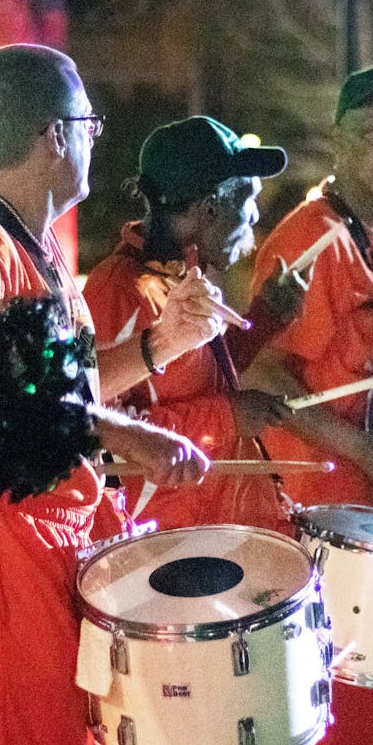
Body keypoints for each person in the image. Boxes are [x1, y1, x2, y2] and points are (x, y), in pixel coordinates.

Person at [0, 44, 214, 745]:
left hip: (43, 534)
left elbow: (66, 388)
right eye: (89, 123)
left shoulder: (26, 243)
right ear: (54, 135)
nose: (98, 139)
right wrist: (126, 431)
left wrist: (164, 344)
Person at [243, 65, 373, 745]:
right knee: (321, 713)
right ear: (339, 141)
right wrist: (366, 452)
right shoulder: (308, 238)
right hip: (315, 508)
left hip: (370, 502)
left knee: (371, 701)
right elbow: (260, 373)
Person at [83, 115, 304, 541]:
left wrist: (266, 319)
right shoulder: (118, 290)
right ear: (210, 208)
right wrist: (227, 418)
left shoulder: (184, 277)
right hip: (160, 550)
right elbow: (101, 430)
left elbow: (195, 382)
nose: (255, 218)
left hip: (212, 533)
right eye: (249, 200)